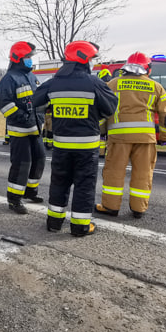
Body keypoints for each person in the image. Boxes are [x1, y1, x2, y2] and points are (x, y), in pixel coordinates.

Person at [33, 41, 118, 236]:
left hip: (61, 145)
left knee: (59, 182)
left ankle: (54, 222)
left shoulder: (54, 82)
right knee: (84, 185)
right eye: (91, 59)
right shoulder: (94, 82)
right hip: (87, 147)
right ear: (83, 59)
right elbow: (111, 107)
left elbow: (36, 101)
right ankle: (80, 226)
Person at [96, 52, 166, 219]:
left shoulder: (112, 84)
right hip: (145, 139)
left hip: (119, 138)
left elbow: (102, 111)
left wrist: (102, 131)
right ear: (148, 69)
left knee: (114, 172)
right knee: (143, 173)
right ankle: (139, 209)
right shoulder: (155, 86)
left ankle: (110, 207)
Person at [0, 41, 45, 214]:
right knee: (21, 164)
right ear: (18, 58)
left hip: (36, 128)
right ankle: (14, 199)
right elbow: (4, 104)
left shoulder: (32, 77)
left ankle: (30, 191)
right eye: (27, 57)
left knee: (39, 160)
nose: (30, 60)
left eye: (30, 57)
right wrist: (23, 117)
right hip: (20, 129)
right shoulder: (9, 79)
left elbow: (38, 99)